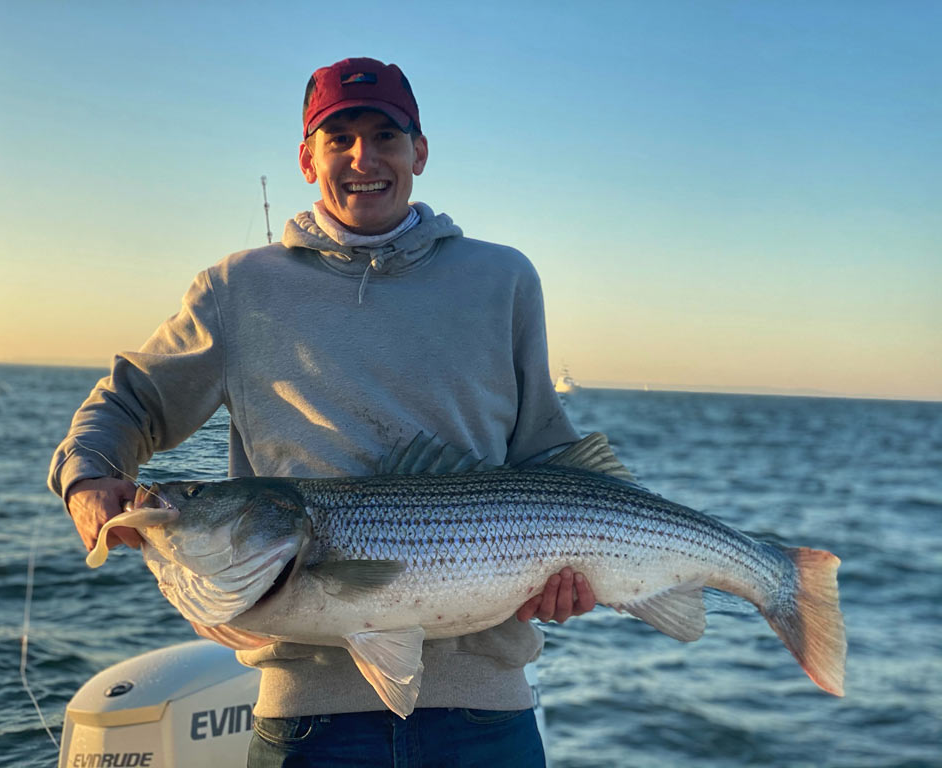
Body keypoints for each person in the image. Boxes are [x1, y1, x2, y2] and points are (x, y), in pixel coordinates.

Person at [49, 57, 596, 767]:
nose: (363, 157)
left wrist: (577, 565)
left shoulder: (505, 278)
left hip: (485, 715)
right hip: (308, 724)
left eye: (386, 135)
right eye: (338, 138)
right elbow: (130, 402)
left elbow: (547, 457)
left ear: (419, 152)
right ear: (308, 159)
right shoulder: (238, 287)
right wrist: (88, 474)